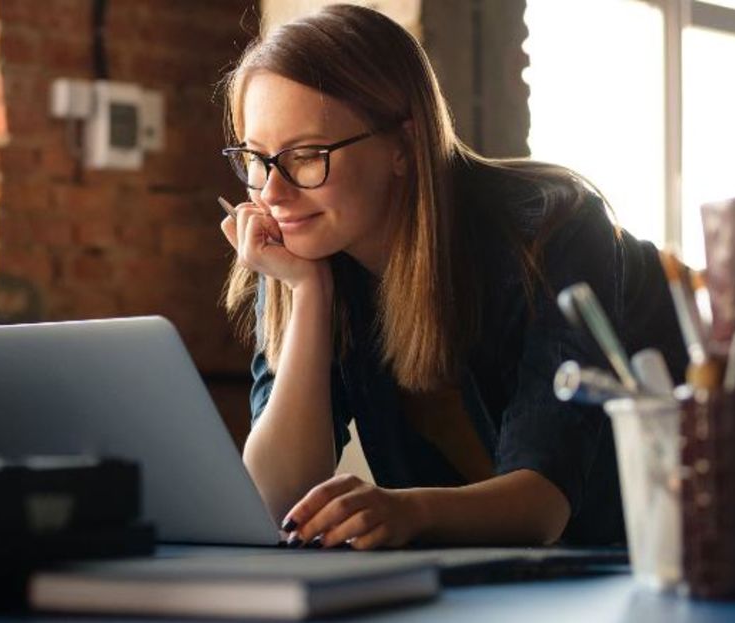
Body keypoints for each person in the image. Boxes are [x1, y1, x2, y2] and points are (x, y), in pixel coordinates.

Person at [216, 3, 690, 549]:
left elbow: (543, 506)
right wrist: (309, 292)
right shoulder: (300, 248)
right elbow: (277, 497)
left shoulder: (552, 229)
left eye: (306, 156)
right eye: (256, 159)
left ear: (404, 145)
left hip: (709, 517)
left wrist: (408, 511)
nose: (272, 194)